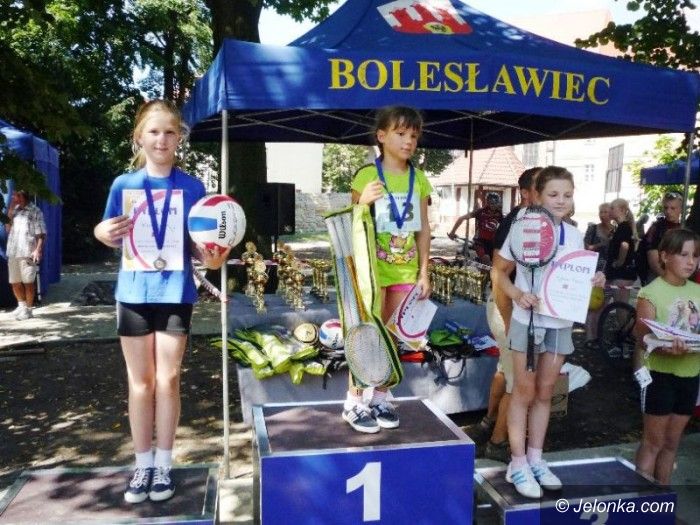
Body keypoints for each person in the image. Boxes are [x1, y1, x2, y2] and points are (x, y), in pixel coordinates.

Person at [94, 100, 229, 504]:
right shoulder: (123, 185)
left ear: (179, 138)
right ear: (139, 137)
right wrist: (102, 232)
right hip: (133, 294)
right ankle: (142, 465)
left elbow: (200, 246)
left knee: (168, 379)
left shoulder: (193, 188)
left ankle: (164, 464)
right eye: (153, 132)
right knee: (140, 383)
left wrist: (213, 258)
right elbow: (106, 229)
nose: (162, 139)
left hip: (175, 294)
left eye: (170, 132)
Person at [492, 166, 605, 498]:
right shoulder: (522, 228)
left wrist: (595, 279)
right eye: (553, 194)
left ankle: (536, 459)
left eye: (567, 195)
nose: (561, 200)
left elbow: (574, 278)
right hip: (528, 323)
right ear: (538, 196)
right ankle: (517, 463)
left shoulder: (574, 234)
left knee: (545, 394)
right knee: (523, 393)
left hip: (561, 324)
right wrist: (517, 295)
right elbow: (499, 272)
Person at [345, 105, 432, 433]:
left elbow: (424, 228)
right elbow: (349, 222)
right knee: (366, 334)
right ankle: (354, 401)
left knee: (393, 337)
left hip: (405, 272)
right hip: (372, 272)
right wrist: (361, 202)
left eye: (414, 136)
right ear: (381, 136)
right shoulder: (366, 175)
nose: (409, 141)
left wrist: (424, 272)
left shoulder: (419, 179)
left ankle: (381, 397)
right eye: (401, 133)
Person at [472, 167, 541, 463]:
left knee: (505, 370)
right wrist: (509, 320)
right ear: (526, 193)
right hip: (510, 311)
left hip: (513, 311)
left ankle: (488, 422)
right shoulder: (519, 222)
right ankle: (498, 444)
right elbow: (499, 274)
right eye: (543, 187)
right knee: (519, 384)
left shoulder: (531, 219)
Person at [633, 228, 700, 485]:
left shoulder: (697, 290)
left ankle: (662, 499)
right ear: (664, 256)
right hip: (659, 376)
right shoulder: (651, 293)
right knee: (653, 443)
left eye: (695, 255)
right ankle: (641, 503)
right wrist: (666, 347)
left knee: (672, 444)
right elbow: (643, 338)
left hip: (690, 375)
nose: (691, 261)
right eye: (683, 254)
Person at [5, 189, 46, 320]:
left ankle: (28, 310)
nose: (13, 198)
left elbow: (41, 233)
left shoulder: (35, 211)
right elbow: (7, 229)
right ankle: (21, 306)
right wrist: (10, 210)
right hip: (13, 251)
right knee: (14, 282)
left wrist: (37, 250)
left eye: (15, 195)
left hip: (27, 251)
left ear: (22, 196)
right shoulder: (15, 210)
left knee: (28, 282)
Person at [583, 202, 613, 345]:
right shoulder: (593, 228)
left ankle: (598, 336)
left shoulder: (616, 230)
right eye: (601, 212)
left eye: (606, 212)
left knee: (604, 305)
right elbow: (586, 247)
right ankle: (590, 337)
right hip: (594, 271)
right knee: (593, 304)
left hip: (609, 272)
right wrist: (603, 244)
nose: (603, 215)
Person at [448, 191, 503, 265]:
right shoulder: (480, 212)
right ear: (487, 202)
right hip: (479, 241)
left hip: (492, 243)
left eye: (495, 203)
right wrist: (452, 232)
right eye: (491, 203)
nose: (493, 205)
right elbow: (461, 218)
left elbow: (506, 227)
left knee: (497, 262)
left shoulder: (499, 215)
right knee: (486, 259)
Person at [642, 192, 683, 284]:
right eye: (666, 208)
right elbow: (653, 262)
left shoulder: (684, 228)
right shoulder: (656, 228)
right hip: (658, 277)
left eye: (673, 208)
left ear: (680, 209)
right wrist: (669, 280)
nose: (668, 211)